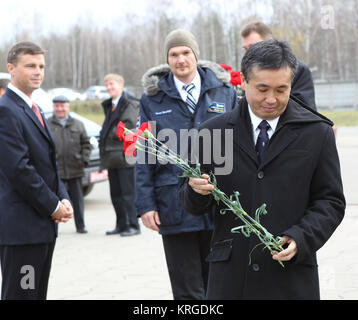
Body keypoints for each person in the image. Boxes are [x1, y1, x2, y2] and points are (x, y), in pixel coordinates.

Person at [179, 40, 345, 300]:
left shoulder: (317, 133)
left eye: (281, 89)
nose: (271, 99)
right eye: (262, 89)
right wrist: (196, 190)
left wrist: (301, 237)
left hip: (290, 278)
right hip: (231, 279)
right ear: (243, 81)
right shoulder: (212, 133)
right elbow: (192, 206)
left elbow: (331, 201)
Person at [135, 29, 238, 300]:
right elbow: (144, 152)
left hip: (219, 203)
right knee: (186, 290)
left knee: (219, 285)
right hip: (173, 204)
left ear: (196, 55)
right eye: (174, 54)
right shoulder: (151, 99)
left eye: (185, 52)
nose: (180, 59)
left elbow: (239, 145)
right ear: (167, 59)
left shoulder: (224, 91)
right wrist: (146, 205)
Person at [0, 41, 73, 300]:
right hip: (22, 231)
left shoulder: (33, 107)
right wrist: (53, 205)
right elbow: (19, 169)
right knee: (22, 294)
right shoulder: (6, 110)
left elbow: (48, 163)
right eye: (30, 65)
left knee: (34, 294)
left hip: (40, 226)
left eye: (41, 66)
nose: (38, 71)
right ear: (11, 68)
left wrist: (63, 197)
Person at [241, 21, 317, 110]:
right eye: (246, 49)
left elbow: (305, 109)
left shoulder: (298, 69)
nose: (249, 52)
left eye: (252, 46)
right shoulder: (248, 71)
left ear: (269, 41)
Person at [100, 73, 140, 237]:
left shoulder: (129, 104)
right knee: (116, 194)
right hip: (111, 156)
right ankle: (121, 224)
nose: (109, 88)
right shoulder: (110, 105)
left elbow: (128, 126)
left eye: (112, 84)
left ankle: (133, 225)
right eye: (107, 85)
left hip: (125, 155)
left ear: (121, 85)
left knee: (127, 193)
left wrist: (107, 133)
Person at [48, 95, 91, 234]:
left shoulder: (78, 124)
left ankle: (81, 226)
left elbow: (86, 144)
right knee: (53, 201)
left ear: (68, 107)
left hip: (75, 168)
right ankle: (53, 228)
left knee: (77, 200)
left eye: (62, 106)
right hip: (55, 170)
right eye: (57, 106)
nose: (60, 109)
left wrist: (83, 160)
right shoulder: (47, 124)